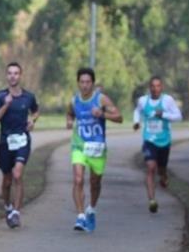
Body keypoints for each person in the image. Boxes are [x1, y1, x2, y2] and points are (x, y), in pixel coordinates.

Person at [66, 67, 123, 232]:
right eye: (82, 82)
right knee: (78, 179)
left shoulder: (101, 99)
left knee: (95, 182)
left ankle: (91, 208)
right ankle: (80, 216)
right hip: (79, 145)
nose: (85, 85)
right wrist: (69, 121)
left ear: (93, 83)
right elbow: (70, 114)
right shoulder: (73, 100)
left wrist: (102, 114)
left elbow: (119, 117)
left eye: (88, 82)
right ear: (78, 83)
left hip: (97, 147)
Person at [0, 62, 39, 228]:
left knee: (17, 174)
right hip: (5, 142)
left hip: (22, 140)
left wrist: (33, 120)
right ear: (6, 76)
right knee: (7, 180)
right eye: (10, 73)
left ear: (20, 76)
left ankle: (16, 213)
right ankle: (8, 207)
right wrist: (6, 105)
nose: (13, 76)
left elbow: (36, 110)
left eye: (16, 73)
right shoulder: (0, 96)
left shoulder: (28, 97)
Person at [132, 75, 182, 213]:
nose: (155, 89)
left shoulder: (168, 101)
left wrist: (164, 115)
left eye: (158, 86)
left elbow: (178, 116)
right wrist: (136, 122)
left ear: (162, 87)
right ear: (150, 88)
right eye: (153, 86)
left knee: (161, 169)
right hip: (149, 140)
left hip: (164, 141)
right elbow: (137, 111)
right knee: (150, 167)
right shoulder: (143, 101)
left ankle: (164, 176)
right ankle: (152, 201)